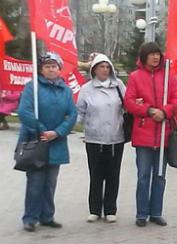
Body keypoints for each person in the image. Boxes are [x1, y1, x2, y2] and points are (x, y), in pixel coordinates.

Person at [17, 52, 77, 231]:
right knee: (35, 182)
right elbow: (24, 111)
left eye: (54, 66)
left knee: (50, 182)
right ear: (41, 69)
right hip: (37, 141)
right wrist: (42, 130)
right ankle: (30, 217)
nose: (51, 69)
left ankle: (47, 216)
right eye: (47, 66)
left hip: (56, 141)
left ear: (59, 69)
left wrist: (57, 132)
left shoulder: (65, 90)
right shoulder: (32, 87)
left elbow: (72, 114)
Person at [124, 42, 177, 227]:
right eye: (152, 54)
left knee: (160, 175)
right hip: (144, 134)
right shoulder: (135, 77)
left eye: (158, 54)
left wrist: (165, 111)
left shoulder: (168, 77)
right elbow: (130, 102)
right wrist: (149, 111)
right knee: (143, 176)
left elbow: (176, 99)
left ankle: (156, 212)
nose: (155, 57)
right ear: (144, 56)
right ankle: (142, 214)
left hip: (164, 134)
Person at [76, 54, 126, 223]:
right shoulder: (86, 89)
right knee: (96, 175)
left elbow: (129, 106)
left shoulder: (118, 86)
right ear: (94, 70)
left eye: (107, 67)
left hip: (115, 138)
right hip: (94, 139)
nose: (105, 70)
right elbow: (80, 112)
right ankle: (95, 209)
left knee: (113, 175)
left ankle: (110, 209)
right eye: (101, 67)